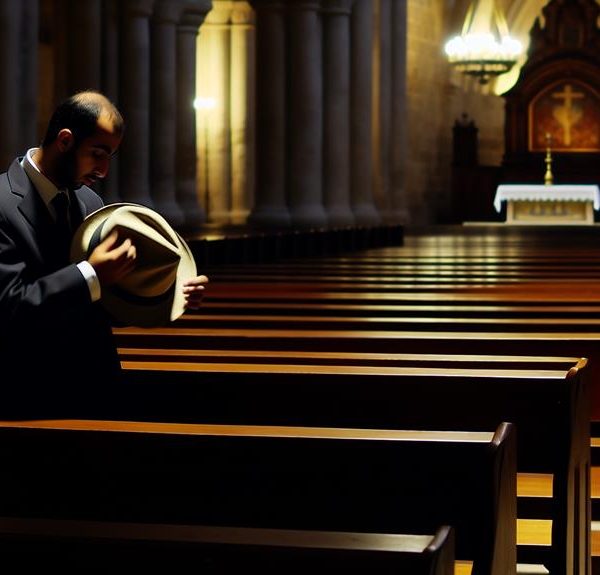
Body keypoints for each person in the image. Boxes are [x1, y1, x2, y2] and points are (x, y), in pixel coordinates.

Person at [0, 90, 209, 417]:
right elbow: (10, 308)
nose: (103, 170)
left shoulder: (91, 204)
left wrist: (165, 293)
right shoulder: (2, 203)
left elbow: (101, 306)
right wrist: (90, 274)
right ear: (65, 140)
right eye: (97, 153)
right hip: (29, 395)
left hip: (96, 387)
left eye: (110, 156)